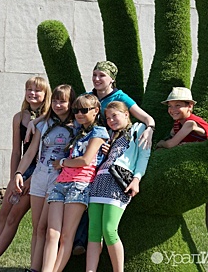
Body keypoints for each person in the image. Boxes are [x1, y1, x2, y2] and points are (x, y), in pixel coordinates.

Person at [156, 87, 208, 272]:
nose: (173, 110)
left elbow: (170, 144)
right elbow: (175, 140)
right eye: (170, 106)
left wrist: (160, 145)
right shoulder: (178, 124)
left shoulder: (190, 123)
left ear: (190, 106)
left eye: (178, 105)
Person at [0, 77, 51, 272]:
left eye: (37, 90)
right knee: (2, 217)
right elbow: (16, 151)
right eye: (29, 89)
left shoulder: (49, 119)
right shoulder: (19, 117)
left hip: (39, 173)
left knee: (13, 218)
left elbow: (47, 154)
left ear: (46, 95)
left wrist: (31, 178)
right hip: (21, 170)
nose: (32, 93)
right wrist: (13, 178)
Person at [42, 94, 109, 272]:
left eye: (84, 110)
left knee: (66, 236)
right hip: (61, 182)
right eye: (76, 110)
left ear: (96, 111)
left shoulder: (99, 132)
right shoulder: (78, 131)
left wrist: (62, 163)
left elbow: (86, 160)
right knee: (51, 233)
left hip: (80, 184)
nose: (79, 114)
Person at [14, 84, 76, 272]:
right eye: (55, 101)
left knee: (46, 225)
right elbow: (31, 151)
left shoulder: (77, 124)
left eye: (62, 101)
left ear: (70, 103)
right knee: (37, 228)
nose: (58, 105)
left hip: (59, 178)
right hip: (40, 175)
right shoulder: (44, 123)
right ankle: (34, 267)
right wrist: (18, 173)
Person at [86, 102, 150, 272]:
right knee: (93, 232)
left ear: (126, 114)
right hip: (99, 182)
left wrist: (137, 179)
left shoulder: (139, 129)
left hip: (117, 184)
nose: (111, 120)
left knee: (109, 229)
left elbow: (144, 156)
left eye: (115, 115)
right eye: (108, 118)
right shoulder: (110, 135)